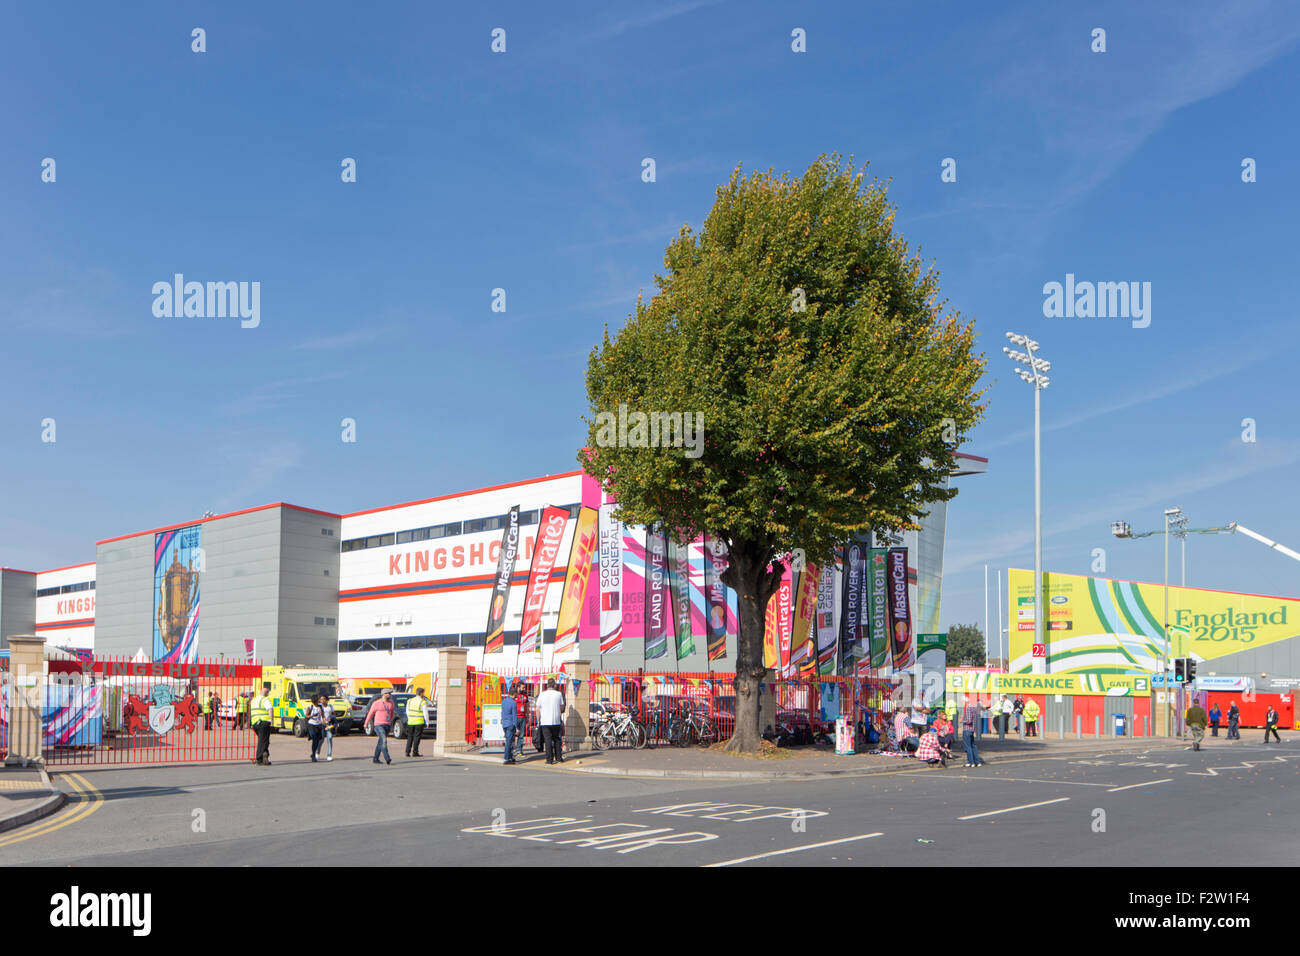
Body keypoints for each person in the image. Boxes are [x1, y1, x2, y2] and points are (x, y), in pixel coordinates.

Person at [537, 679, 566, 765]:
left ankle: (549, 759)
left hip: (545, 721)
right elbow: (561, 707)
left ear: (547, 685)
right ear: (554, 685)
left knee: (547, 740)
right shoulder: (559, 694)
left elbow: (538, 709)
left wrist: (538, 720)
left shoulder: (542, 694)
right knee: (557, 739)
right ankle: (559, 757)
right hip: (556, 720)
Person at [365, 687, 396, 764]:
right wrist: (366, 723)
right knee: (384, 740)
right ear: (383, 694)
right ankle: (387, 757)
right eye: (388, 693)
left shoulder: (391, 703)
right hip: (378, 725)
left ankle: (375, 758)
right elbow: (370, 713)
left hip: (387, 725)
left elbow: (392, 713)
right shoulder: (376, 703)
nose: (389, 695)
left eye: (390, 693)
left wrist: (390, 722)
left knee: (381, 742)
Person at [251, 682, 274, 765]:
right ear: (266, 693)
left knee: (262, 740)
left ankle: (265, 757)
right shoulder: (265, 699)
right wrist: (271, 720)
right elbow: (270, 709)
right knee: (264, 741)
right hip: (263, 722)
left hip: (255, 723)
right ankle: (260, 758)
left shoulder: (254, 700)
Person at [961, 697, 986, 768]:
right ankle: (977, 762)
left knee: (968, 746)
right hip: (972, 730)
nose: (962, 704)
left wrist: (962, 721)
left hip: (967, 729)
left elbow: (969, 721)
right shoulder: (974, 708)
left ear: (965, 702)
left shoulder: (968, 709)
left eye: (962, 702)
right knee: (973, 746)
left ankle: (971, 762)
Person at [404, 686, 429, 757]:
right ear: (421, 693)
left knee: (410, 737)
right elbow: (425, 713)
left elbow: (407, 711)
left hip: (411, 722)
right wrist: (427, 722)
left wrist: (410, 718)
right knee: (417, 737)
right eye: (423, 693)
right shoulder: (422, 702)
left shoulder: (410, 700)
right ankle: (415, 752)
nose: (423, 694)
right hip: (419, 722)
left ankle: (407, 752)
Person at [501, 684, 520, 765]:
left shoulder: (504, 701)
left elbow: (502, 712)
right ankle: (506, 758)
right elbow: (514, 716)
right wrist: (517, 728)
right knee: (509, 741)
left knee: (510, 741)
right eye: (517, 694)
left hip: (504, 723)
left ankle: (511, 756)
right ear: (514, 694)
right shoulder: (513, 703)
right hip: (510, 724)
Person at [306, 694, 327, 762]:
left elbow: (323, 715)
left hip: (318, 725)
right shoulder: (310, 707)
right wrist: (312, 715)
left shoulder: (320, 707)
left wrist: (324, 721)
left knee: (318, 740)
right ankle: (314, 755)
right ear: (315, 700)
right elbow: (307, 716)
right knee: (314, 737)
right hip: (311, 724)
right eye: (319, 699)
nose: (320, 700)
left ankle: (313, 753)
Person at [515, 686, 529, 759]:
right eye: (522, 687)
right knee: (513, 734)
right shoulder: (515, 695)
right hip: (515, 717)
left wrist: (527, 716)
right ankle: (511, 750)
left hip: (523, 717)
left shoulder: (525, 695)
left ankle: (519, 750)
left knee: (521, 735)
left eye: (524, 687)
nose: (524, 689)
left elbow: (527, 706)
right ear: (518, 687)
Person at [320, 693, 336, 761]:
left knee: (329, 739)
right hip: (321, 724)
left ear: (326, 700)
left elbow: (333, 714)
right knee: (321, 739)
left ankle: (329, 755)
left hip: (329, 724)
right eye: (321, 699)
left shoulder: (330, 706)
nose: (322, 700)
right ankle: (317, 752)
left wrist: (331, 718)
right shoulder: (319, 707)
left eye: (323, 699)